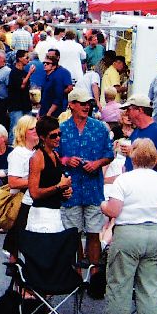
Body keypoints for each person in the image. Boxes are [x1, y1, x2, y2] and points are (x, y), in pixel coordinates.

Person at [83, 139, 157, 314]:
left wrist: (102, 205)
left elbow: (114, 210)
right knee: (151, 282)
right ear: (154, 158)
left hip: (129, 233)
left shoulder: (124, 180)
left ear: (133, 156)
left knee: (119, 281)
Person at [58, 89, 113, 267]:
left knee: (94, 232)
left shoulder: (99, 128)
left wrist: (97, 164)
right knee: (73, 234)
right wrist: (66, 160)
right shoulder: (61, 129)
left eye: (88, 103)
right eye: (82, 103)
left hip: (93, 188)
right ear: (72, 105)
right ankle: (77, 273)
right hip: (71, 189)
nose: (86, 107)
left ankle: (94, 272)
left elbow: (109, 154)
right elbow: (53, 155)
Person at [2, 115, 39, 263]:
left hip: (34, 198)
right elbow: (13, 182)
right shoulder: (18, 153)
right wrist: (36, 181)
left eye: (37, 128)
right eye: (31, 129)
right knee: (19, 235)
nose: (35, 131)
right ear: (23, 132)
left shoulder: (37, 151)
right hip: (22, 200)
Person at [27, 117, 72, 234]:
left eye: (59, 134)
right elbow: (34, 193)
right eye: (53, 136)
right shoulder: (37, 158)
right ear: (42, 137)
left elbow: (56, 182)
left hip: (56, 213)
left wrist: (65, 191)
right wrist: (59, 187)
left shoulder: (55, 154)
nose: (58, 138)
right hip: (41, 216)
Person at [121, 95, 157, 175]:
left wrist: (137, 153)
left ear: (140, 110)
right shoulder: (136, 132)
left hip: (150, 181)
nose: (126, 113)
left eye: (129, 109)